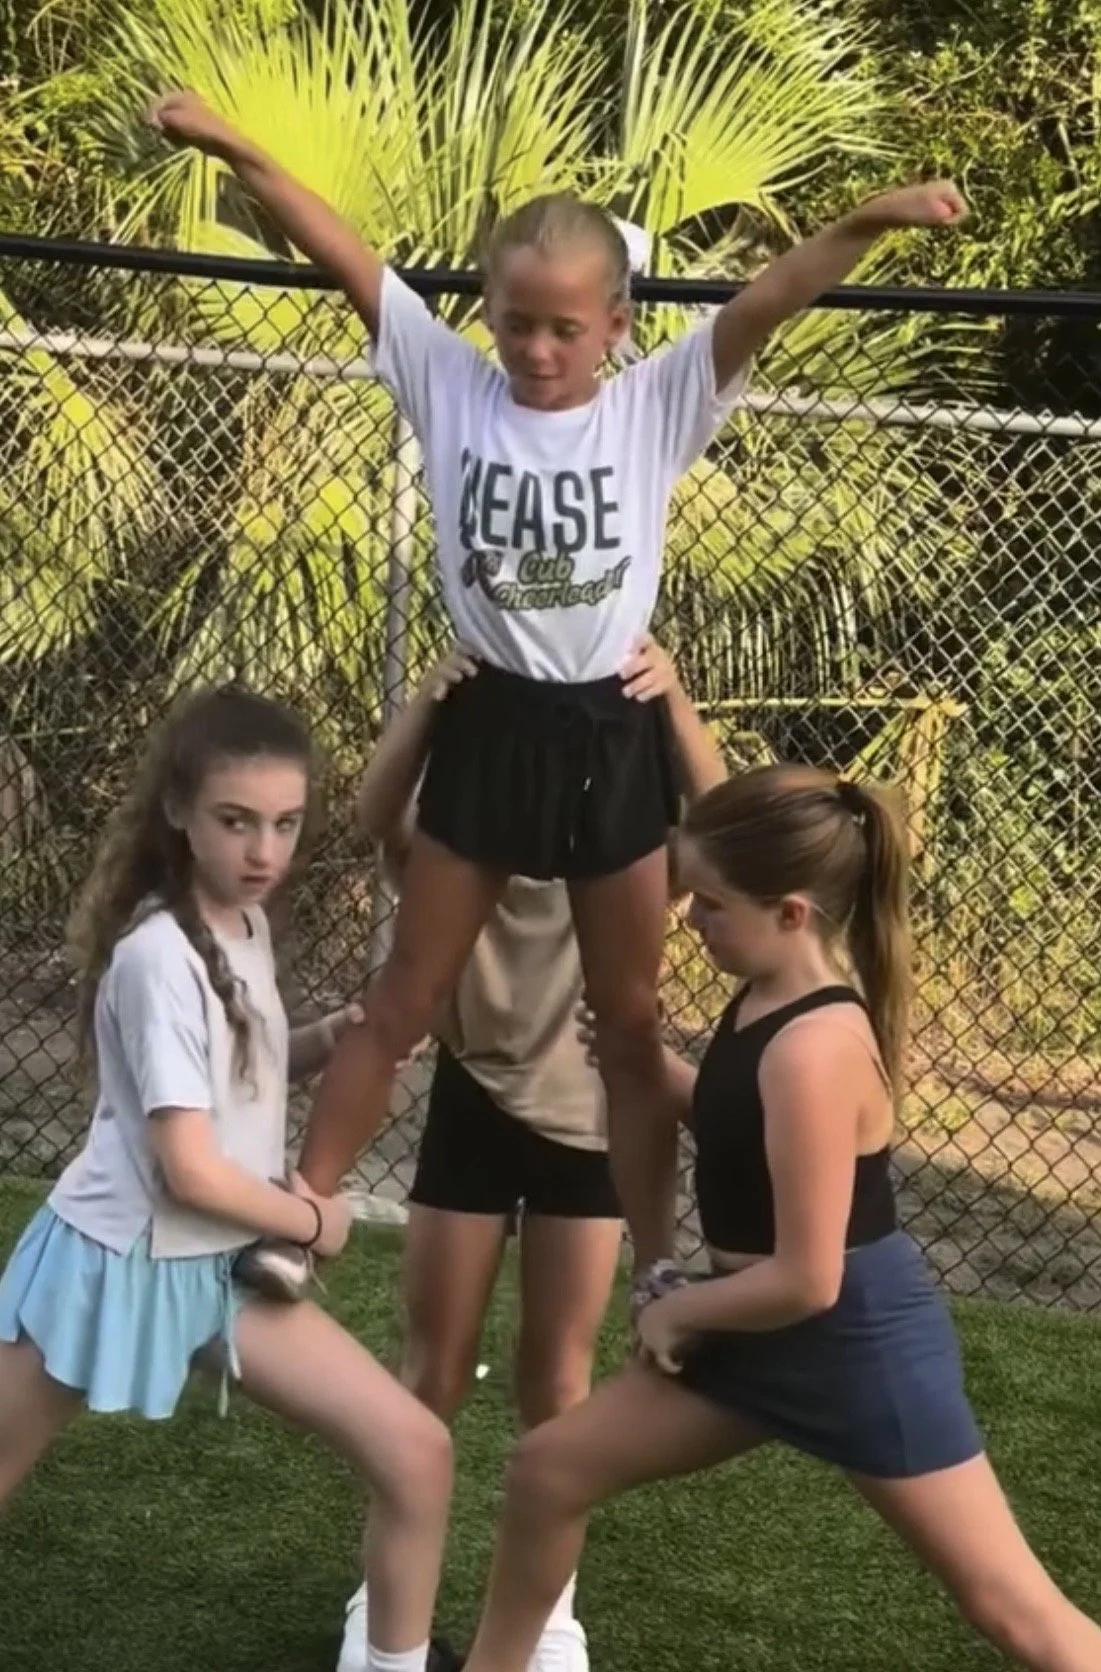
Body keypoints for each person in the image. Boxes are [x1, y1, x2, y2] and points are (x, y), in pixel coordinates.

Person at [144, 90, 968, 1290]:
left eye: (564, 331)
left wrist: (874, 220)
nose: (535, 350)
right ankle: (300, 1214)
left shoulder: (654, 405)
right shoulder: (451, 385)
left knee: (629, 1032)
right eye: (516, 323)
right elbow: (338, 250)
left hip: (609, 730)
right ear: (485, 316)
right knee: (403, 997)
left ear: (617, 327)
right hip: (493, 720)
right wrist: (231, 144)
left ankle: (658, 1260)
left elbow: (772, 298)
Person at [453, 765, 1101, 1672]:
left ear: (791, 913)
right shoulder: (763, 994)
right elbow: (740, 1125)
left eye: (710, 904)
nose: (690, 919)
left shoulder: (816, 1048)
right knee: (546, 1472)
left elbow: (809, 1276)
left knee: (1014, 1614)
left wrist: (675, 1304)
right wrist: (646, 1065)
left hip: (850, 1344)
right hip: (754, 1324)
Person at [0, 687, 453, 1672]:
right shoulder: (157, 957)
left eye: (286, 824)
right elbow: (190, 1167)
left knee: (416, 1451)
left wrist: (323, 1041)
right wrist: (313, 1218)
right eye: (237, 821)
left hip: (215, 1270)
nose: (265, 851)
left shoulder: (242, 927)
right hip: (111, 1259)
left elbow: (222, 1083)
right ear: (177, 811)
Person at [324, 631, 726, 1672]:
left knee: (558, 1383)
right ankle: (383, 1609)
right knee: (432, 1368)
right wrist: (427, 700)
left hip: (588, 1131)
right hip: (473, 1105)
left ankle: (550, 1620)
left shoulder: (633, 869)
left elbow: (724, 825)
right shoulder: (459, 852)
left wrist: (673, 701)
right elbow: (376, 812)